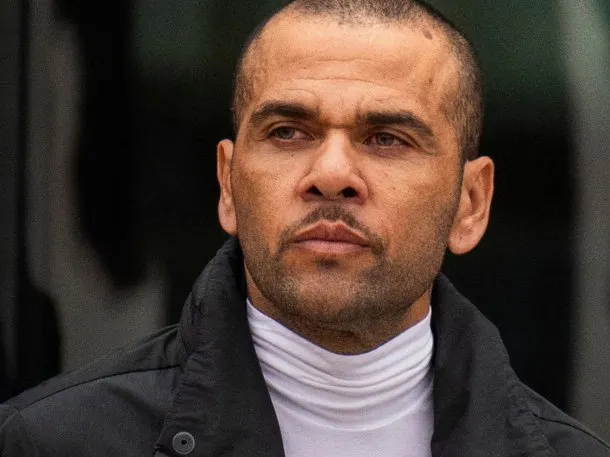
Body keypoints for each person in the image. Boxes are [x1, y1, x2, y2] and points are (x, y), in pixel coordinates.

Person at [1, 0, 608, 456]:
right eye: (288, 132)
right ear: (228, 185)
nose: (332, 175)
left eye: (387, 138)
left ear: (470, 204)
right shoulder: (48, 442)